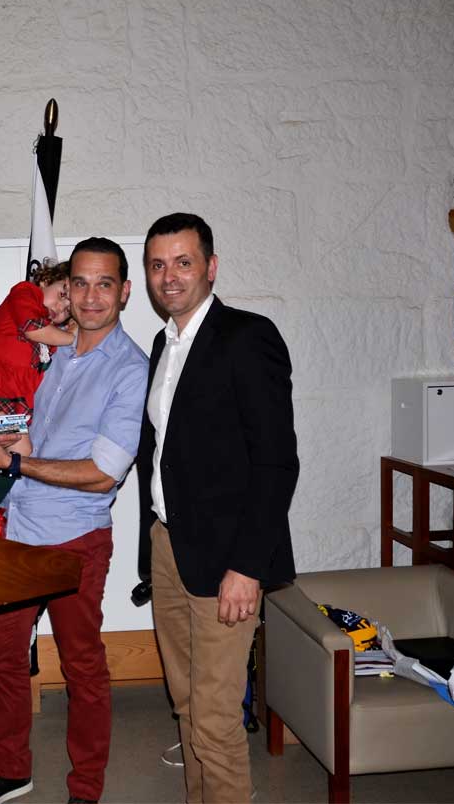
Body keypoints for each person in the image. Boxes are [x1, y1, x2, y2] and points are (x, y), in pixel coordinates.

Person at [0, 238, 148, 804]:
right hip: (17, 528)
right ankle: (10, 770)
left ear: (124, 292)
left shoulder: (129, 368)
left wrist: (14, 462)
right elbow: (38, 435)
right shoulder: (58, 353)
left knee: (81, 665)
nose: (89, 297)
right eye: (78, 284)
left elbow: (103, 474)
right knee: (1, 656)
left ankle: (85, 788)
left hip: (75, 540)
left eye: (103, 284)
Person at [137, 213, 298, 803]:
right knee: (186, 705)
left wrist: (248, 567)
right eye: (158, 265)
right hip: (168, 546)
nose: (170, 276)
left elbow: (276, 463)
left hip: (229, 557)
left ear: (211, 266)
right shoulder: (164, 344)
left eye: (183, 262)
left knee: (215, 717)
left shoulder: (247, 336)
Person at [0, 258, 74, 536]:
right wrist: (74, 337)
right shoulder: (25, 293)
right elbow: (31, 328)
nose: (60, 308)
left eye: (67, 309)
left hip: (14, 407)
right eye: (62, 294)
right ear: (46, 280)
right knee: (22, 448)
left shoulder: (49, 340)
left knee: (18, 450)